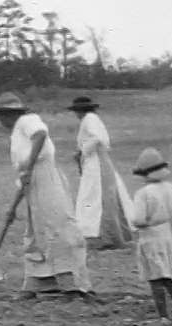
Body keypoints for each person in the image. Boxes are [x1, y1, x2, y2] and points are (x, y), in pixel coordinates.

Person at [0, 92, 93, 301]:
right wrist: (15, 206)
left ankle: (71, 285)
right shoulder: (15, 133)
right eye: (0, 115)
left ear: (13, 114)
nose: (2, 120)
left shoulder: (27, 120)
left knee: (58, 228)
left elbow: (40, 135)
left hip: (46, 179)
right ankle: (39, 283)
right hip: (33, 184)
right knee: (36, 232)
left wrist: (29, 164)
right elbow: (24, 171)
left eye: (4, 114)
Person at [131, 147, 172, 325]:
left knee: (155, 278)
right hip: (167, 235)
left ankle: (163, 315)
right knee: (169, 276)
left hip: (150, 237)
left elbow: (139, 219)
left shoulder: (143, 194)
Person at [68, 96, 135, 250]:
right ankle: (106, 233)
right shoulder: (91, 119)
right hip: (94, 160)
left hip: (96, 161)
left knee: (96, 195)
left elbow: (98, 139)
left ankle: (102, 235)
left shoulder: (90, 119)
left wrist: (83, 150)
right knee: (97, 195)